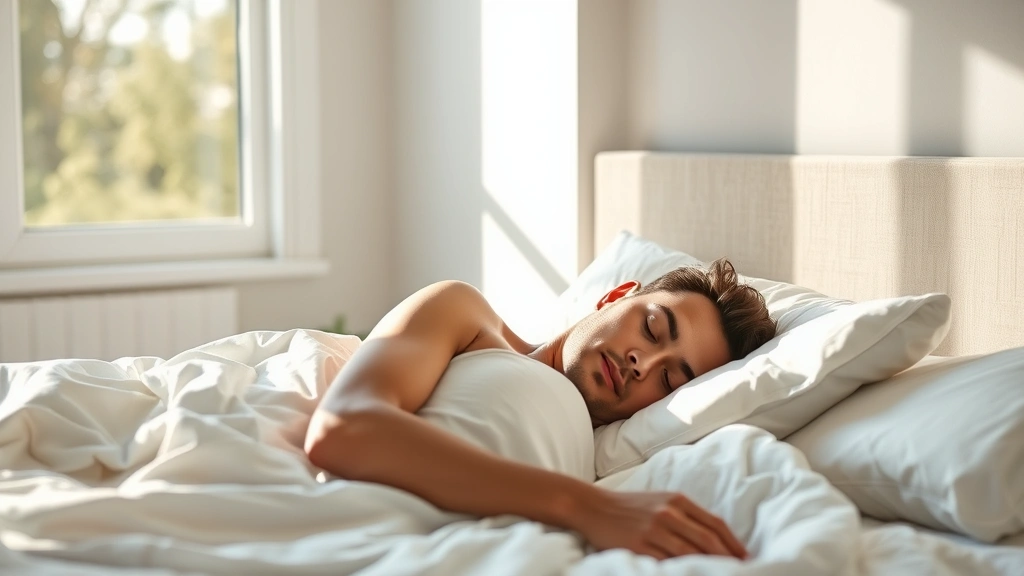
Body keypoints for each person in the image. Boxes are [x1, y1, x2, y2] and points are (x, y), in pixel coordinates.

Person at [304, 258, 776, 561]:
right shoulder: (467, 317)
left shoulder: (617, 462)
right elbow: (344, 428)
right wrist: (586, 507)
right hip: (345, 536)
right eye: (651, 328)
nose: (642, 363)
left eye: (670, 380)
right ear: (616, 297)